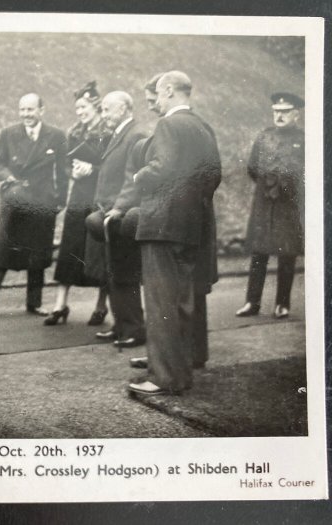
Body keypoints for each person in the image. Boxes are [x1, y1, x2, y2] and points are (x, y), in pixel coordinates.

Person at [127, 71, 222, 396]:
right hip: (190, 227)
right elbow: (213, 176)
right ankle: (178, 373)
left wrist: (140, 176)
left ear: (168, 90)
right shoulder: (202, 127)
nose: (157, 97)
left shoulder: (169, 125)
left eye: (158, 92)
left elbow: (162, 168)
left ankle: (164, 377)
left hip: (161, 226)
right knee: (181, 303)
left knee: (160, 304)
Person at [0, 93, 68, 315]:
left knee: (39, 251)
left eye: (30, 110)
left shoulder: (56, 135)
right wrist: (9, 178)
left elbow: (62, 172)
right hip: (15, 198)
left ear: (41, 111)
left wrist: (59, 199)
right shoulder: (8, 134)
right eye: (22, 110)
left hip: (42, 199)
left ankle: (34, 303)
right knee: (3, 247)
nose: (26, 114)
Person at [83, 91, 148, 349]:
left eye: (108, 109)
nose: (104, 115)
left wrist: (119, 208)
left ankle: (134, 328)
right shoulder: (121, 133)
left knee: (124, 272)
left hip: (120, 216)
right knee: (113, 273)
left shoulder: (136, 135)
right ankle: (120, 325)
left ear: (123, 108)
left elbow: (134, 178)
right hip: (110, 214)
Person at [44, 81, 112, 326]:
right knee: (70, 245)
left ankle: (101, 305)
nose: (80, 112)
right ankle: (60, 304)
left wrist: (92, 169)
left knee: (99, 248)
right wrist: (73, 170)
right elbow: (63, 162)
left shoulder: (108, 132)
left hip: (101, 194)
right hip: (79, 195)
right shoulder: (74, 132)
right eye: (77, 108)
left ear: (95, 106)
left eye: (83, 107)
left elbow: (115, 166)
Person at [235, 92, 304, 319]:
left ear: (296, 114)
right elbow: (253, 167)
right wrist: (269, 183)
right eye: (276, 112)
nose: (279, 116)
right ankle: (251, 302)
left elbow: (306, 171)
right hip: (264, 201)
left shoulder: (303, 139)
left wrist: (286, 182)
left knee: (287, 253)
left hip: (288, 203)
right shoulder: (264, 137)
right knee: (259, 252)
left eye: (285, 112)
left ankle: (282, 304)